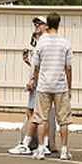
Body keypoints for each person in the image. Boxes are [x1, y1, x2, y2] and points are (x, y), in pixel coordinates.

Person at [12, 13, 73, 160]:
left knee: (41, 118)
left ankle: (40, 148)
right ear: (58, 24)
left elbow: (36, 65)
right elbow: (68, 67)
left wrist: (37, 80)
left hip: (44, 85)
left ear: (48, 24)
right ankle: (64, 150)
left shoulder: (41, 43)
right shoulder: (65, 43)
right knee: (63, 119)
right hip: (60, 85)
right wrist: (69, 86)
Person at [9, 16, 57, 156]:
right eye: (35, 23)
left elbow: (41, 65)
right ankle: (44, 143)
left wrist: (33, 80)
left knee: (34, 113)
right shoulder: (38, 42)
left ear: (47, 26)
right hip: (40, 80)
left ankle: (26, 144)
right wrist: (28, 63)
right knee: (38, 114)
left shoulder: (44, 42)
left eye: (40, 23)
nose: (36, 25)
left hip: (40, 82)